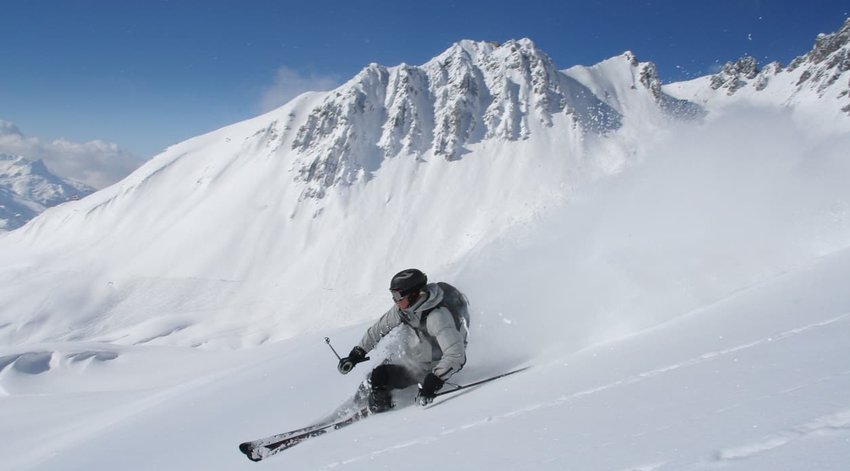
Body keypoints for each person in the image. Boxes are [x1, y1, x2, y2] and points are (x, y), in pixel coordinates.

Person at [337, 268, 469, 412]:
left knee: (379, 378)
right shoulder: (405, 309)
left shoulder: (437, 318)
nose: (395, 300)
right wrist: (358, 353)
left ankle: (382, 413)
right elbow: (379, 329)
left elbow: (456, 354)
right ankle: (359, 405)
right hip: (417, 360)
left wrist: (434, 380)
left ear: (414, 294)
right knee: (375, 376)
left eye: (398, 295)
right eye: (393, 294)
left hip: (432, 371)